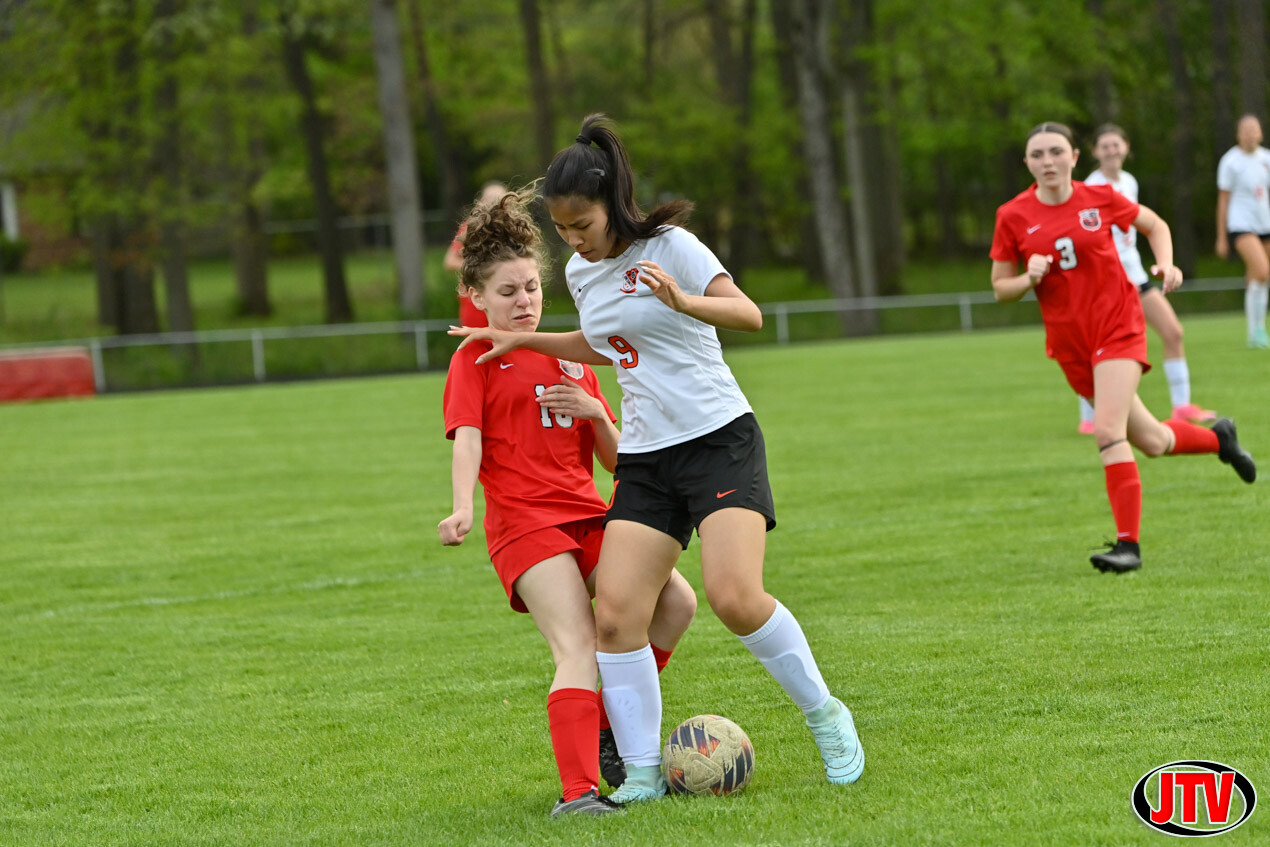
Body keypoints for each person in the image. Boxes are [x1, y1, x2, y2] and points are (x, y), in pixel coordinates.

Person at [453, 114, 864, 803]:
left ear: (611, 203)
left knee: (734, 597)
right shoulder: (581, 272)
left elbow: (749, 315)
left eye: (581, 224)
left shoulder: (672, 246)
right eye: (562, 228)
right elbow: (604, 344)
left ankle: (826, 714)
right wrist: (522, 341)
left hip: (717, 437)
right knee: (617, 617)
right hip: (647, 454)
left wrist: (682, 299)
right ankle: (642, 772)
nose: (573, 239)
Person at [438, 189, 697, 817]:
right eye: (507, 292)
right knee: (578, 644)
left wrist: (596, 414)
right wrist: (462, 506)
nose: (524, 301)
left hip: (589, 516)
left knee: (677, 603)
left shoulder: (572, 359)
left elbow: (616, 461)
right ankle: (578, 794)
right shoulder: (474, 357)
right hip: (526, 528)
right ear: (475, 297)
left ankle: (605, 725)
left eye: (531, 288)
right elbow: (467, 438)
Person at [990, 122, 1256, 574]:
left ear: (1075, 157)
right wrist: (1027, 279)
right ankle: (1219, 438)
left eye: (1057, 151)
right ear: (1027, 163)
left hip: (1117, 326)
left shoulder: (1100, 198)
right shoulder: (1012, 215)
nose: (1048, 161)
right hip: (1071, 343)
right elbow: (1000, 288)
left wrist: (1167, 264)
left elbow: (1155, 225)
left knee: (1107, 431)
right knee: (1152, 440)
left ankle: (1128, 546)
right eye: (1037, 155)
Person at [1077, 124, 1216, 434]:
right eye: (1105, 146)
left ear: (1127, 147)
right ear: (1094, 151)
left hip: (1136, 275)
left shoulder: (1129, 181)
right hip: (1105, 281)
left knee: (1173, 332)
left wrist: (1163, 263)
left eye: (1116, 144)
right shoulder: (1091, 188)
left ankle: (1181, 407)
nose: (1111, 150)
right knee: (1097, 347)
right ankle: (1089, 418)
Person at [1215, 114, 1270, 349]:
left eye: (1254, 129)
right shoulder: (1230, 161)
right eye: (1245, 130)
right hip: (1241, 225)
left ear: (1261, 132)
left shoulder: (1266, 158)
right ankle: (1257, 330)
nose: (1250, 134)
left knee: (1260, 278)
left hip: (1265, 224)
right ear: (1238, 134)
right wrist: (1221, 237)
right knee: (1262, 271)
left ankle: (1255, 331)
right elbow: (1223, 200)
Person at [444, 181, 508, 328]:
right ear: (481, 202)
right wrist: (484, 268)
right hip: (476, 302)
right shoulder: (473, 226)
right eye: (490, 199)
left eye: (499, 200)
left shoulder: (510, 227)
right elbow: (450, 261)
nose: (494, 205)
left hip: (504, 299)